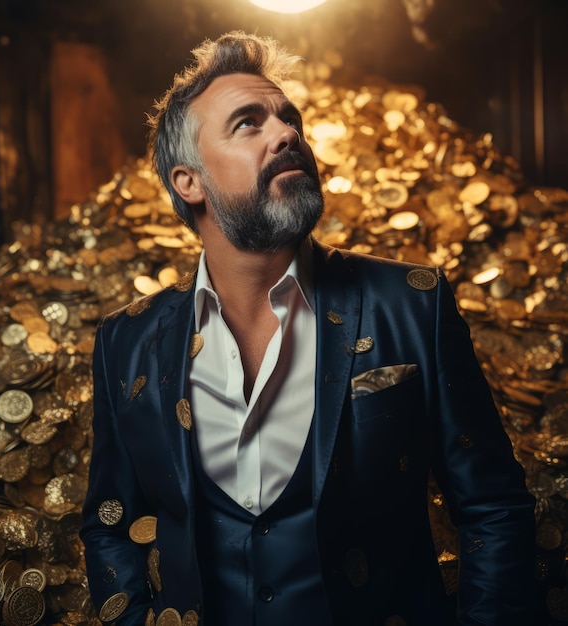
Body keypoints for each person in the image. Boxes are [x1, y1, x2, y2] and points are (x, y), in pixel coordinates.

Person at [81, 31, 536, 626]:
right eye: (248, 123)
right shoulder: (127, 343)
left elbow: (495, 508)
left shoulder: (409, 305)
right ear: (187, 181)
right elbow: (109, 524)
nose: (287, 133)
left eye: (289, 118)